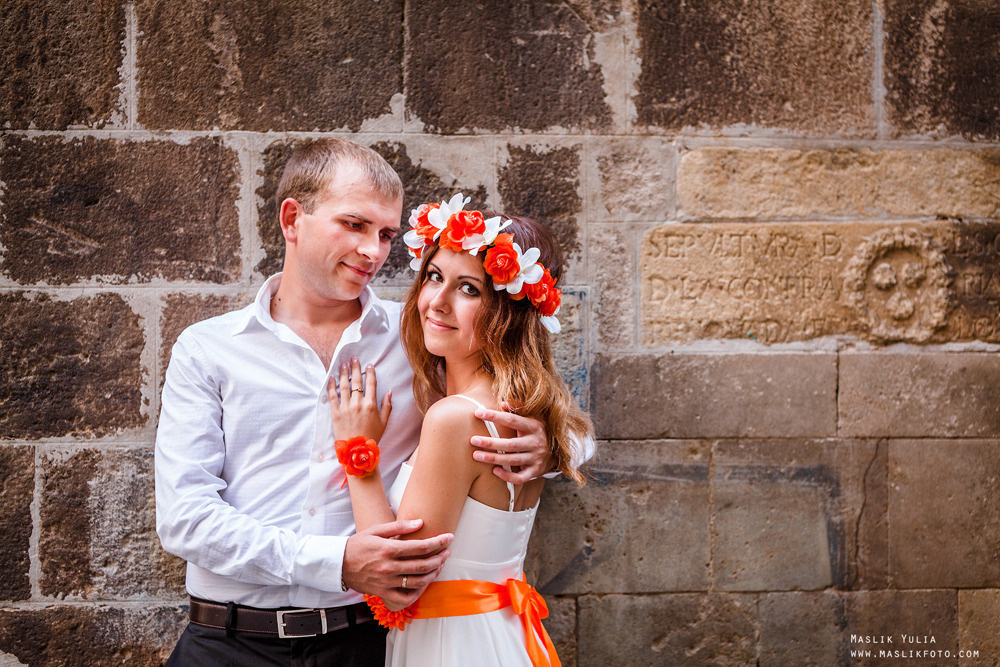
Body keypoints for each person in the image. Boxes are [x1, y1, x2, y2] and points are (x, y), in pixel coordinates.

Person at [154, 139, 573, 665]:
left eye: (386, 234)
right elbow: (185, 517)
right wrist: (336, 562)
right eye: (354, 225)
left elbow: (514, 392)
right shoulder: (208, 348)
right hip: (227, 641)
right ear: (292, 219)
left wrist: (554, 449)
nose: (374, 251)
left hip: (364, 644)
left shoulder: (422, 336)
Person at [329, 197, 594, 666]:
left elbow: (399, 587)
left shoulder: (455, 417)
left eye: (469, 289)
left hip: (453, 647)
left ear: (507, 313)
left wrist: (358, 453)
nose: (437, 301)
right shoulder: (524, 411)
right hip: (499, 634)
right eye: (434, 277)